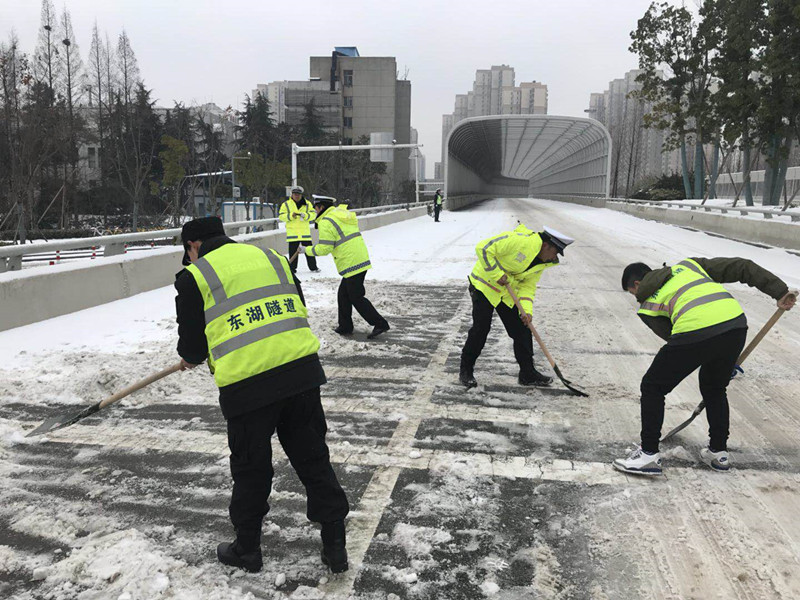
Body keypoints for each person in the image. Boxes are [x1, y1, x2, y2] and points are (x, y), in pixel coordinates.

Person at [174, 216, 349, 573]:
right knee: (313, 458)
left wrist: (191, 358)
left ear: (193, 246)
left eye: (188, 253)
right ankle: (335, 545)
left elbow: (193, 347)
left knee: (252, 469)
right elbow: (295, 305)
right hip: (300, 373)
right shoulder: (273, 258)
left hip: (247, 386)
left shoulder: (195, 276)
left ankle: (248, 550)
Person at [613, 257, 796, 475]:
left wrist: (709, 352)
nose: (636, 298)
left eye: (632, 293)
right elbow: (741, 266)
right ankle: (718, 453)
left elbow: (677, 340)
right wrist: (779, 291)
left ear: (636, 285)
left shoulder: (647, 305)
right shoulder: (688, 266)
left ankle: (648, 455)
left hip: (696, 331)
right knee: (714, 388)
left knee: (653, 386)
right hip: (735, 324)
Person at [459, 224, 574, 389]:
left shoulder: (541, 263)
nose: (553, 258)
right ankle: (466, 370)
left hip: (506, 292)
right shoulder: (520, 241)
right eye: (555, 253)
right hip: (484, 286)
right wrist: (497, 274)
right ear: (546, 245)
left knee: (522, 328)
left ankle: (527, 373)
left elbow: (528, 287)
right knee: (481, 328)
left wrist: (526, 311)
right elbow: (483, 248)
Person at [304, 195, 390, 339]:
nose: (314, 210)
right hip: (358, 256)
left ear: (321, 207)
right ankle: (345, 326)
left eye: (315, 207)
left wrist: (306, 250)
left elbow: (324, 248)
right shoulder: (340, 215)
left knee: (356, 296)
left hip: (351, 261)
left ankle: (380, 323)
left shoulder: (326, 221)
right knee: (343, 294)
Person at [279, 185, 319, 273]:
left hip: (304, 233)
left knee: (309, 250)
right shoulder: (286, 204)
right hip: (293, 233)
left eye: (298, 194)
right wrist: (290, 216)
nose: (297, 196)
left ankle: (313, 267)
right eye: (295, 194)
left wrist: (306, 216)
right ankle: (292, 269)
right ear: (292, 194)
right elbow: (281, 216)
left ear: (301, 195)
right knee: (293, 252)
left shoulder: (307, 204)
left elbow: (313, 214)